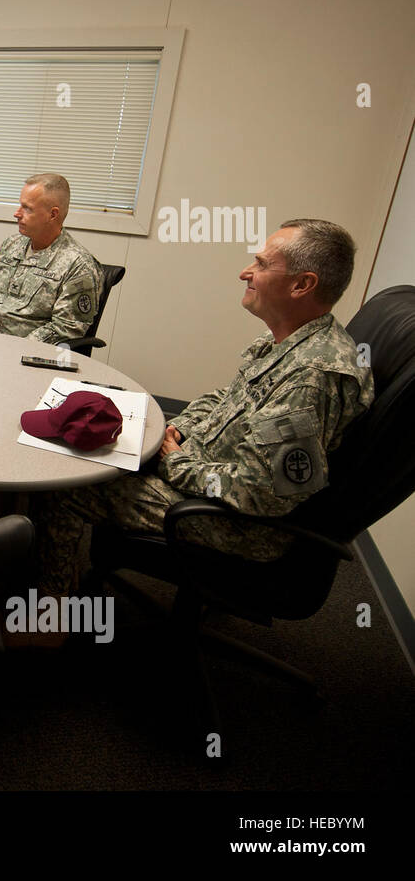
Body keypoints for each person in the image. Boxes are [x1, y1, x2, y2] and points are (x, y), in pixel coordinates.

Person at [29, 218, 375, 600]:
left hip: (237, 524)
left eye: (261, 264)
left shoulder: (311, 377)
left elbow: (263, 495)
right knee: (95, 448)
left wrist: (175, 462)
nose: (246, 272)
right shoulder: (292, 339)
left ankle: (51, 612)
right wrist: (177, 429)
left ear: (301, 284)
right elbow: (226, 399)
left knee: (61, 487)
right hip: (207, 470)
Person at [0, 174, 103, 345]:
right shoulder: (11, 245)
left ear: (52, 215)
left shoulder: (78, 265)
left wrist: (11, 349)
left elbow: (66, 327)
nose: (17, 214)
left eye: (27, 208)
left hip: (28, 357)